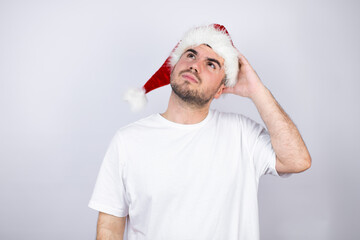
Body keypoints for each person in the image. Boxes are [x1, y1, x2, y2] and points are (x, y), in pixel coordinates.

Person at [88, 24, 311, 240]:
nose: (195, 65)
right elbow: (110, 225)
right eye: (191, 55)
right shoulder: (128, 140)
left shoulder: (242, 134)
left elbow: (297, 160)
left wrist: (257, 90)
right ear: (173, 67)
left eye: (211, 64)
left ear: (221, 90)